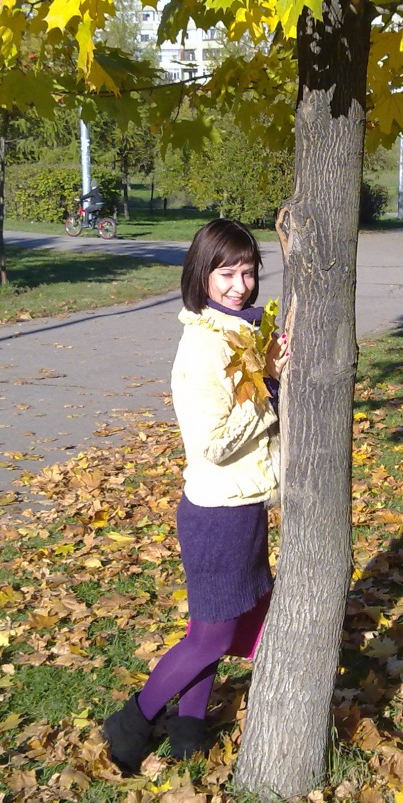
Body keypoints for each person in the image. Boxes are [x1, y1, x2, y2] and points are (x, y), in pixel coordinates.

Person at [103, 218, 288, 775]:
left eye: (247, 272)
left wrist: (271, 371)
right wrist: (267, 388)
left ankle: (188, 728)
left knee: (214, 628)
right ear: (201, 274)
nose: (239, 286)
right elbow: (213, 444)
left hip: (241, 505)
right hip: (218, 514)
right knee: (210, 637)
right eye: (226, 273)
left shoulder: (237, 332)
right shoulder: (203, 347)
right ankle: (132, 721)